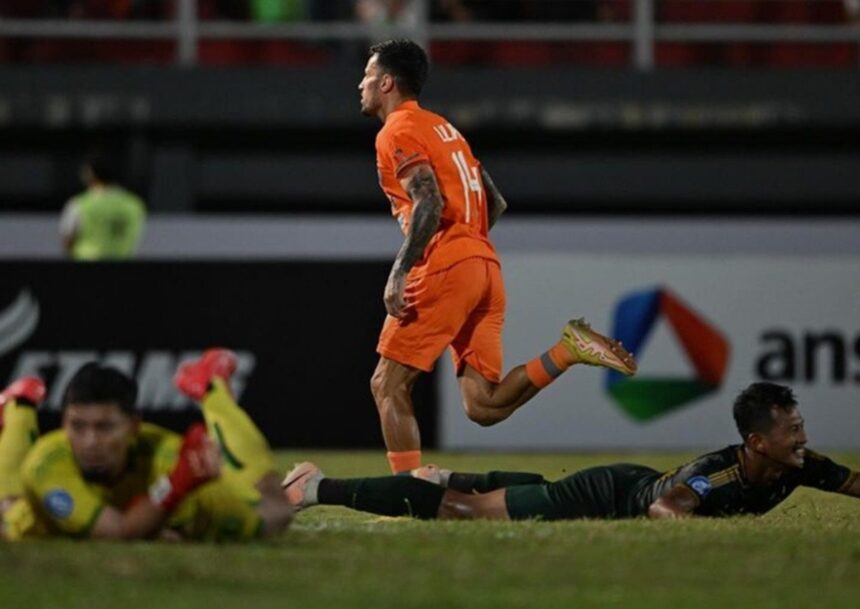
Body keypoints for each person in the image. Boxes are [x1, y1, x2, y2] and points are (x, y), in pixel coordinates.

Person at [358, 38, 637, 475]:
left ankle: (407, 493)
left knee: (387, 385)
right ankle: (568, 351)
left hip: (446, 264)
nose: (361, 84)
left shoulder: (395, 130)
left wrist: (402, 270)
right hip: (485, 266)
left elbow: (428, 202)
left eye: (368, 75)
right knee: (483, 406)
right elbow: (495, 200)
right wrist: (468, 251)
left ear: (388, 82)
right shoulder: (446, 129)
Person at [282, 382, 859, 520]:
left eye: (802, 428)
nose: (804, 440)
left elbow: (854, 483)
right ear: (757, 442)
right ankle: (313, 488)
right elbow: (665, 513)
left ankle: (448, 471)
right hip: (610, 495)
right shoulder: (719, 476)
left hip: (631, 479)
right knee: (463, 511)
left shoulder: (799, 467)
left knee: (531, 486)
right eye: (794, 432)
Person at [0, 349, 294, 541]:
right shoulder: (47, 463)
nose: (90, 441)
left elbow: (274, 518)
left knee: (274, 506)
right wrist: (175, 487)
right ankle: (19, 405)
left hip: (150, 494)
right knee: (8, 505)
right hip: (39, 522)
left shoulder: (165, 454)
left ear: (133, 425)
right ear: (64, 423)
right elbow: (118, 534)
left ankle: (210, 386)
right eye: (77, 426)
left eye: (105, 427)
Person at [59, 149, 146, 260]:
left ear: (90, 172)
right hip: (122, 270)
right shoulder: (134, 204)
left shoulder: (79, 204)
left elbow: (67, 241)